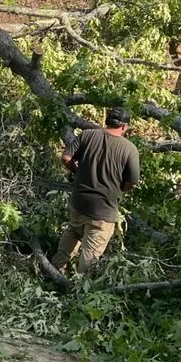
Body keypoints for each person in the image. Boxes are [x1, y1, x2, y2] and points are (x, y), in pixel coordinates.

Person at [52, 106, 140, 274]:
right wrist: (119, 189)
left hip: (79, 200)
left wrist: (75, 171)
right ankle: (81, 286)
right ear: (124, 126)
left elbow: (65, 157)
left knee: (73, 231)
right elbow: (132, 182)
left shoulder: (87, 135)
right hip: (104, 209)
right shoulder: (129, 149)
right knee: (91, 251)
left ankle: (56, 269)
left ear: (106, 121)